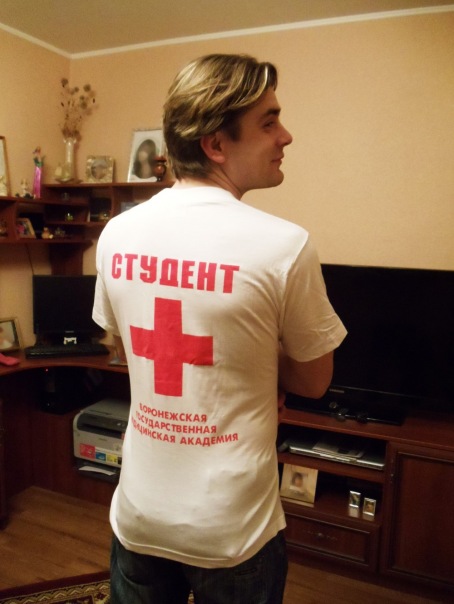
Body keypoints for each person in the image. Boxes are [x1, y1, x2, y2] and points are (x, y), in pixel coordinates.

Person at [93, 53, 347, 604]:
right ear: (215, 144)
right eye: (269, 122)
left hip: (139, 513)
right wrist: (256, 359)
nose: (286, 136)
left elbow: (125, 345)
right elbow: (313, 381)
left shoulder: (116, 233)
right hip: (232, 530)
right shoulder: (285, 246)